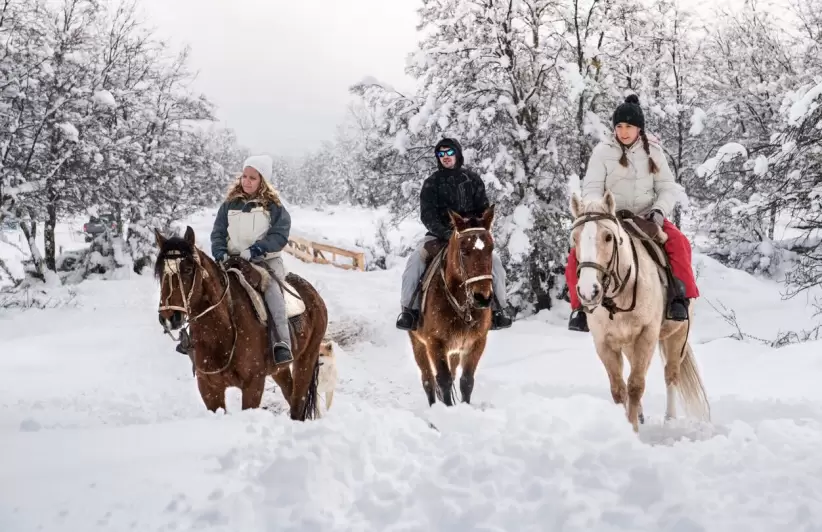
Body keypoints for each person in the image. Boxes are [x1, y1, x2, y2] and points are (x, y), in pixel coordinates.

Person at [567, 94, 698, 332]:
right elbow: (592, 188)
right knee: (576, 254)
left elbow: (667, 188)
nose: (624, 131)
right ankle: (579, 308)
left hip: (647, 217)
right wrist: (600, 211)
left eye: (629, 126)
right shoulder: (602, 152)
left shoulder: (654, 153)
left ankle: (679, 299)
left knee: (679, 242)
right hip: (610, 218)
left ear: (639, 128)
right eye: (619, 126)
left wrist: (658, 212)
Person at [396, 138, 512, 331]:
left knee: (496, 264)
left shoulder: (472, 180)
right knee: (415, 261)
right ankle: (409, 310)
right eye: (441, 154)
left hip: (470, 238)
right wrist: (448, 233)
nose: (445, 157)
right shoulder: (431, 183)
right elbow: (427, 215)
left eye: (449, 153)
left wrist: (471, 231)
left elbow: (483, 210)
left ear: (457, 154)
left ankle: (499, 309)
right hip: (438, 237)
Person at [208, 154, 294, 365]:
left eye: (252, 178)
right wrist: (220, 252)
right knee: (205, 288)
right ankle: (194, 338)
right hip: (231, 260)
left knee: (273, 293)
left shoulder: (273, 206)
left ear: (262, 180)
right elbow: (218, 232)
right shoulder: (229, 204)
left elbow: (279, 235)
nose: (246, 181)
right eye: (244, 176)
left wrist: (257, 249)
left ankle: (281, 343)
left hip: (263, 261)